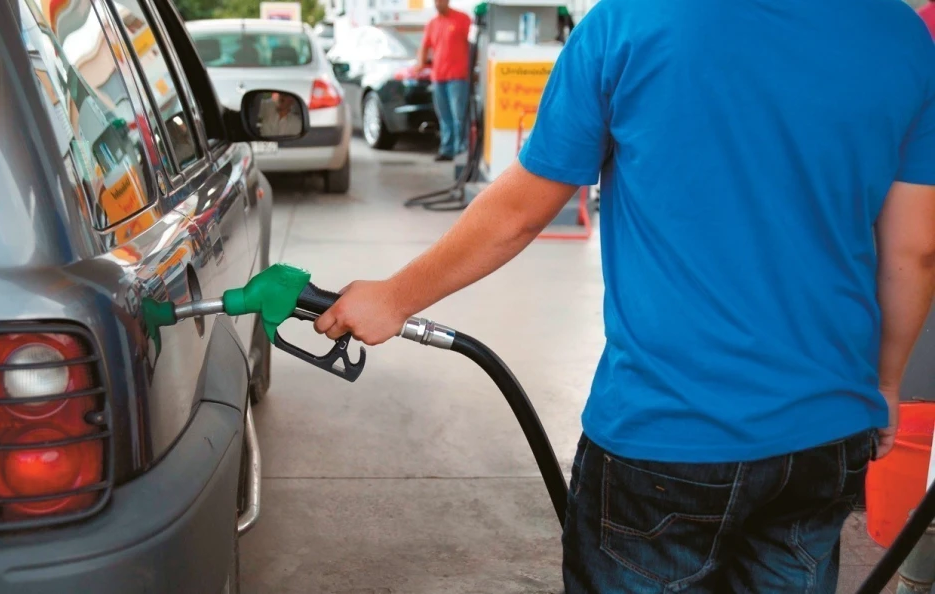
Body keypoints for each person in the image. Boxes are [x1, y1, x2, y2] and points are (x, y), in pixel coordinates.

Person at [315, 0, 935, 591]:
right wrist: (884, 384)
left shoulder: (631, 20)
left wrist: (395, 297)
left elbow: (520, 212)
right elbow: (916, 251)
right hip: (824, 430)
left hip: (667, 430)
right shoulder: (900, 36)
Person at [417, 0, 472, 161]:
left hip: (458, 77)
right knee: (444, 116)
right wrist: (420, 64)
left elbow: (472, 45)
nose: (437, 4)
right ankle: (447, 150)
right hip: (438, 77)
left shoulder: (462, 19)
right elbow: (424, 46)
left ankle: (461, 150)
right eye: (435, 1)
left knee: (459, 116)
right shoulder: (432, 23)